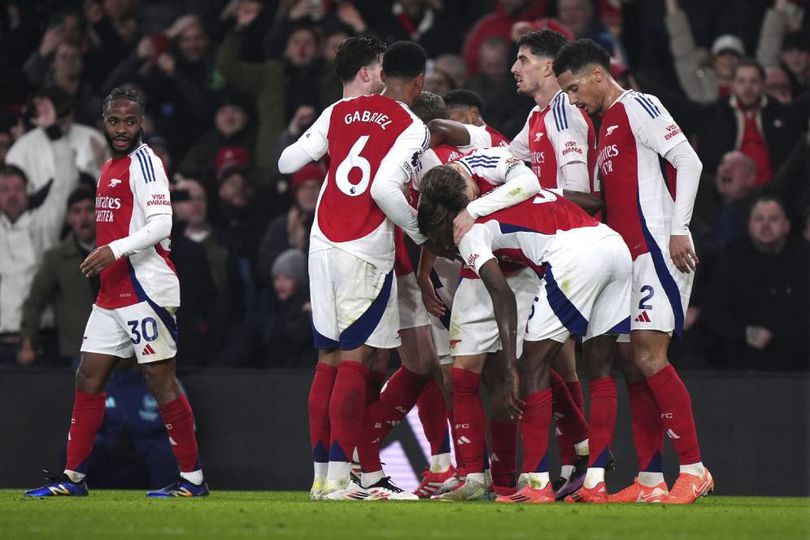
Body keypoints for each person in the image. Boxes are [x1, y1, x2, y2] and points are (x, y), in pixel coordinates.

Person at [416, 148, 630, 503]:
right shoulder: (509, 190)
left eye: (439, 241)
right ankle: (594, 481)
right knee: (601, 367)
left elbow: (500, 292)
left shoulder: (469, 229)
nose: (444, 249)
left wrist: (512, 366)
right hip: (613, 245)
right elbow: (580, 199)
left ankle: (536, 484)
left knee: (532, 367)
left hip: (571, 256)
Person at [24, 88, 208, 498]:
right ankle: (72, 479)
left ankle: (192, 480)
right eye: (114, 121)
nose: (122, 129)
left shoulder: (147, 164)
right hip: (113, 292)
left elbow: (162, 224)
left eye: (130, 122)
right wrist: (111, 256)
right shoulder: (110, 165)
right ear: (104, 122)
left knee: (160, 383)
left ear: (142, 123)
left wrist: (113, 249)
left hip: (147, 288)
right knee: (88, 376)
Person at [554, 38, 713, 504]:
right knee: (633, 366)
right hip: (628, 259)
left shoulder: (640, 105)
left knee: (648, 356)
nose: (573, 98)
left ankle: (694, 468)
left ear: (599, 74)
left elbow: (689, 160)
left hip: (659, 249)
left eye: (575, 86)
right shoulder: (604, 128)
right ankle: (649, 480)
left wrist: (679, 229)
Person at [278, 41, 430, 501]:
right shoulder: (409, 122)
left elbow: (287, 162)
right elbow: (385, 189)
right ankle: (344, 479)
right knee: (357, 360)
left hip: (321, 242)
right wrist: (422, 234)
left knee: (327, 359)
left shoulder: (336, 112)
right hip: (364, 247)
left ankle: (323, 477)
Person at [506, 29, 597, 498]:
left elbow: (584, 196)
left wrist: (528, 206)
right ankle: (575, 461)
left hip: (575, 248)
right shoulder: (538, 114)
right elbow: (507, 162)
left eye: (522, 59)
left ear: (547, 67)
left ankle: (578, 459)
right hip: (552, 252)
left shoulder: (565, 114)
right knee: (558, 361)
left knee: (554, 361)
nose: (514, 68)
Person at [0, 115, 79, 366]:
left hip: (43, 338)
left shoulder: (44, 224)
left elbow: (66, 181)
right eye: (4, 190)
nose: (11, 195)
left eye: (17, 188)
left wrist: (54, 133)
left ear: (28, 190)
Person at [703, 197, 808, 371]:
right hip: (744, 361)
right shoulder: (733, 258)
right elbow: (713, 312)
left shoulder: (803, 257)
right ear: (750, 225)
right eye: (759, 219)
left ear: (786, 226)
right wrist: (745, 332)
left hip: (798, 363)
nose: (765, 225)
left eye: (773, 219)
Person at [19, 187, 97, 367]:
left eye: (90, 209)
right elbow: (34, 302)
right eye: (77, 211)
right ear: (69, 218)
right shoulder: (57, 259)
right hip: (79, 353)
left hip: (121, 353)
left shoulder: (116, 251)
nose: (84, 217)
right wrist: (27, 343)